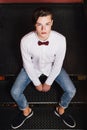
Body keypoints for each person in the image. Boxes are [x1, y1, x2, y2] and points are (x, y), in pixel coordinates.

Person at [11, 7, 76, 129]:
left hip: (52, 68)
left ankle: (60, 110)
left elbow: (58, 64)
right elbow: (27, 64)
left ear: (52, 22)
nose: (43, 29)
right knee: (14, 92)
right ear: (35, 25)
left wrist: (48, 82)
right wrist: (37, 83)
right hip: (32, 68)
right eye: (39, 24)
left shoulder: (61, 40)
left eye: (47, 24)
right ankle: (26, 111)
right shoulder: (25, 40)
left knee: (71, 90)